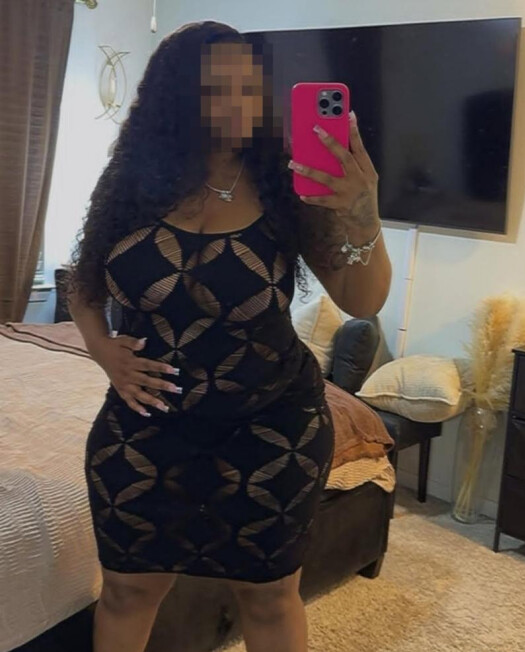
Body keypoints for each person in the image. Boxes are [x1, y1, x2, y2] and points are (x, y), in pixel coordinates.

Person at [67, 20, 391, 652]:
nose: (239, 103)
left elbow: (363, 299)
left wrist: (363, 209)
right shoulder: (131, 181)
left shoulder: (287, 185)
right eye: (217, 89)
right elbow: (84, 281)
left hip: (272, 425)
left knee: (268, 598)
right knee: (128, 590)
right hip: (146, 424)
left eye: (249, 87)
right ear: (176, 96)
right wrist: (103, 351)